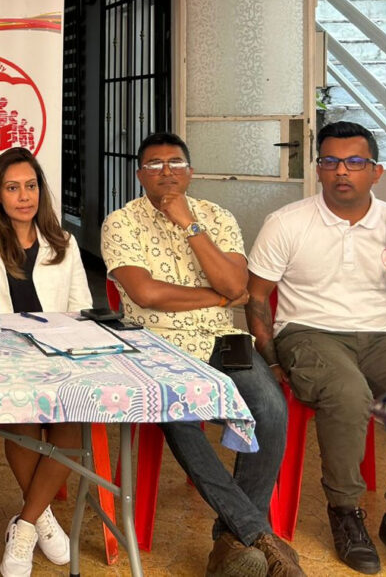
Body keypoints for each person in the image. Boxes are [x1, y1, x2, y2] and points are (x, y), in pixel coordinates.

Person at [100, 132, 302, 577]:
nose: (166, 171)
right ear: (139, 175)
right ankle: (258, 535)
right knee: (179, 415)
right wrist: (218, 297)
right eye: (154, 164)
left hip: (221, 340)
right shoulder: (121, 222)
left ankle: (232, 540)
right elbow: (146, 294)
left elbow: (236, 286)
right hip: (156, 344)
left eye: (175, 162)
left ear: (190, 172)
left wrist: (189, 224)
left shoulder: (217, 217)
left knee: (270, 408)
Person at [246, 121, 386, 574]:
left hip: (383, 335)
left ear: (376, 171)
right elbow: (256, 297)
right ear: (318, 169)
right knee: (348, 393)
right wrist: (271, 360)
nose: (341, 171)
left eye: (354, 162)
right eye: (330, 161)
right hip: (309, 332)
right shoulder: (287, 222)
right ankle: (345, 512)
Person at [0, 147, 88, 577]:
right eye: (12, 188)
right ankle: (41, 517)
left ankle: (26, 523)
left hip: (57, 357)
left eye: (30, 186)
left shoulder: (63, 243)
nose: (24, 196)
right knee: (23, 419)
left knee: (71, 423)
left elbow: (81, 309)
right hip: (5, 363)